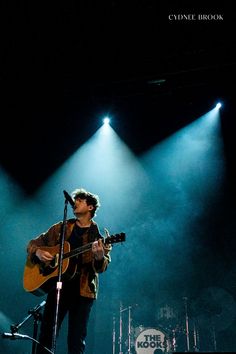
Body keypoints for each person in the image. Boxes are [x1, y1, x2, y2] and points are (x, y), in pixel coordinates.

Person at [26, 188, 112, 354]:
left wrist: (100, 257)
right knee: (46, 336)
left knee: (76, 340)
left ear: (90, 207)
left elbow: (102, 268)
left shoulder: (98, 237)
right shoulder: (61, 228)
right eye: (75, 200)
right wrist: (37, 252)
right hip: (57, 288)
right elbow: (33, 243)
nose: (75, 203)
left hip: (83, 292)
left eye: (80, 200)